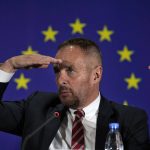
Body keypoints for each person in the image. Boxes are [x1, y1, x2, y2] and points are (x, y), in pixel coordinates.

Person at [0, 38, 149, 150]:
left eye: (70, 70)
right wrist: (9, 66)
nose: (61, 79)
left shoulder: (129, 120)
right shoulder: (38, 107)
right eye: (57, 71)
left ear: (96, 75)